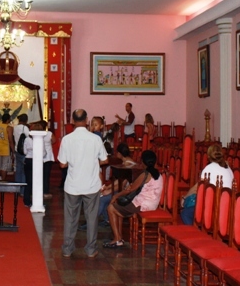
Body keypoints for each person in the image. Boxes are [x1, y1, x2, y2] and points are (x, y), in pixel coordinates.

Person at [58, 109, 108, 258]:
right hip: (91, 185)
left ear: (72, 121)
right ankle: (91, 249)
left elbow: (62, 165)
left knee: (70, 218)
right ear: (87, 120)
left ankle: (67, 249)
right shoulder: (95, 139)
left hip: (72, 185)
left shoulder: (67, 139)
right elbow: (105, 160)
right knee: (91, 218)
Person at [104, 149, 163, 248]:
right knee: (117, 207)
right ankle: (119, 238)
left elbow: (129, 190)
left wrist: (115, 196)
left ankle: (117, 238)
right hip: (152, 204)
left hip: (142, 205)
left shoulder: (146, 174)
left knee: (111, 208)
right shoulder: (158, 174)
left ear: (143, 162)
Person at [180, 144, 233, 225]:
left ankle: (195, 233)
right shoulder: (228, 168)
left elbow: (197, 188)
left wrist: (185, 197)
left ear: (208, 156)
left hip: (213, 206)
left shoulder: (209, 168)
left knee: (185, 213)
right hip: (227, 206)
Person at [12, 113, 30, 191]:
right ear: (26, 120)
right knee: (23, 170)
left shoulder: (15, 128)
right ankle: (23, 190)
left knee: (18, 169)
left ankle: (17, 189)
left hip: (17, 150)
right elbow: (29, 137)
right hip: (23, 151)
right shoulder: (25, 128)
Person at [39, 120, 56, 200]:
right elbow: (54, 141)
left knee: (39, 174)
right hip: (48, 156)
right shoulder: (49, 134)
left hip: (39, 156)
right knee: (46, 175)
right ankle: (45, 191)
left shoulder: (37, 134)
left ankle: (38, 191)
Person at [22, 123, 36, 207]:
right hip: (36, 161)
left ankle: (26, 200)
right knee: (36, 182)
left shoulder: (27, 139)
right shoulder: (40, 139)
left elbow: (24, 152)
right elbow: (44, 152)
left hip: (28, 160)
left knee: (28, 181)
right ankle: (36, 200)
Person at [0, 113, 12, 181]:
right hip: (6, 149)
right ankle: (3, 181)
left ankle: (0, 177)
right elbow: (10, 140)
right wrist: (13, 150)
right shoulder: (8, 128)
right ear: (8, 120)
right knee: (4, 166)